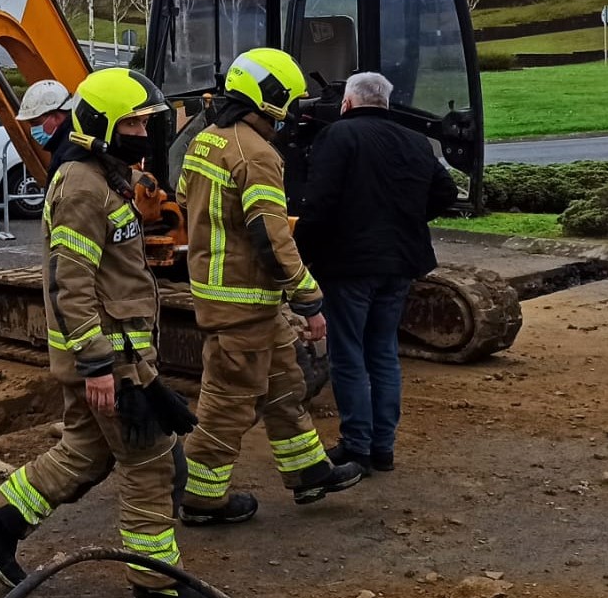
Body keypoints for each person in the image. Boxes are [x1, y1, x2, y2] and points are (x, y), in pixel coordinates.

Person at [0, 68, 220, 598]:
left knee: (83, 453)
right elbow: (70, 281)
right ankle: (155, 583)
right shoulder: (83, 185)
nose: (143, 130)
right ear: (103, 125)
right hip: (112, 358)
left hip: (111, 353)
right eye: (132, 122)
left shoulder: (104, 176)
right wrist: (99, 364)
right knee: (152, 462)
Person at [177, 48, 364, 521]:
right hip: (243, 302)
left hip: (235, 298)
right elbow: (270, 233)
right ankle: (200, 498)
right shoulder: (256, 154)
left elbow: (183, 198)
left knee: (284, 387)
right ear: (272, 99)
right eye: (291, 101)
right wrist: (308, 295)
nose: (295, 112)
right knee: (228, 404)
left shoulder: (208, 139)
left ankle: (309, 473)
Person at [298, 72, 461, 472]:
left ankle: (357, 446)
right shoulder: (415, 141)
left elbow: (319, 202)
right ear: (385, 103)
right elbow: (446, 192)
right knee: (384, 352)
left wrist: (300, 254)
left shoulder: (338, 137)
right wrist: (407, 219)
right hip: (401, 262)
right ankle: (382, 447)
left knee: (349, 354)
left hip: (349, 264)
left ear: (348, 103)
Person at [16, 78, 76, 153]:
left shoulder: (72, 152)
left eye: (35, 123)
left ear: (56, 117)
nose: (33, 131)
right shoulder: (65, 147)